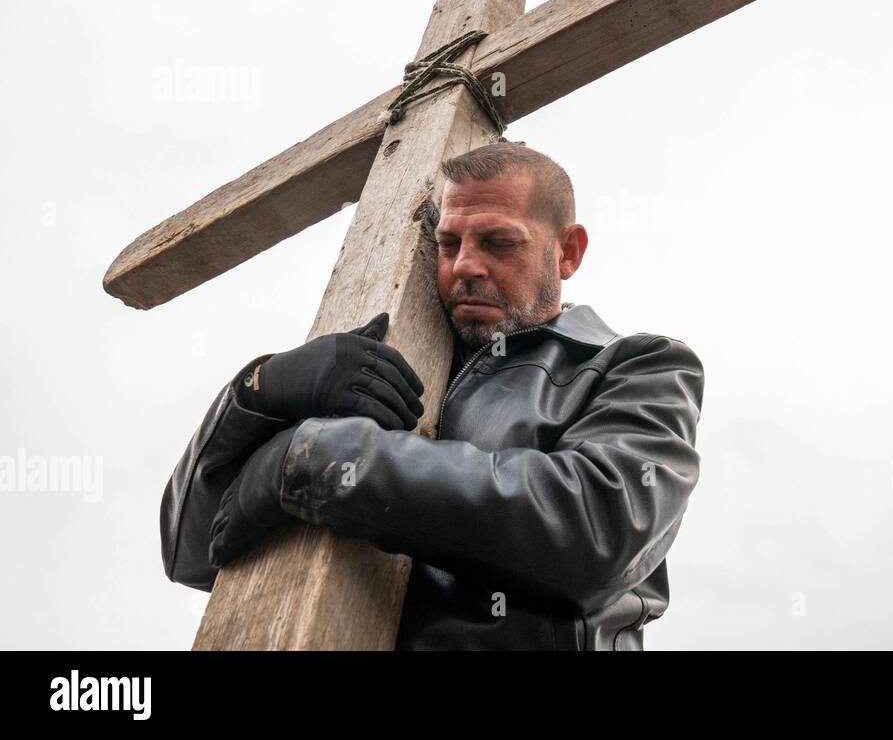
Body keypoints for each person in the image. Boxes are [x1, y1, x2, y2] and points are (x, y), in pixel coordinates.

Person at [159, 141, 704, 650]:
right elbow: (189, 552)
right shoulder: (382, 362)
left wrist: (313, 461)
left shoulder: (639, 368)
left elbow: (595, 531)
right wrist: (260, 390)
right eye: (449, 243)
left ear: (568, 252)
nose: (464, 265)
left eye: (498, 242)